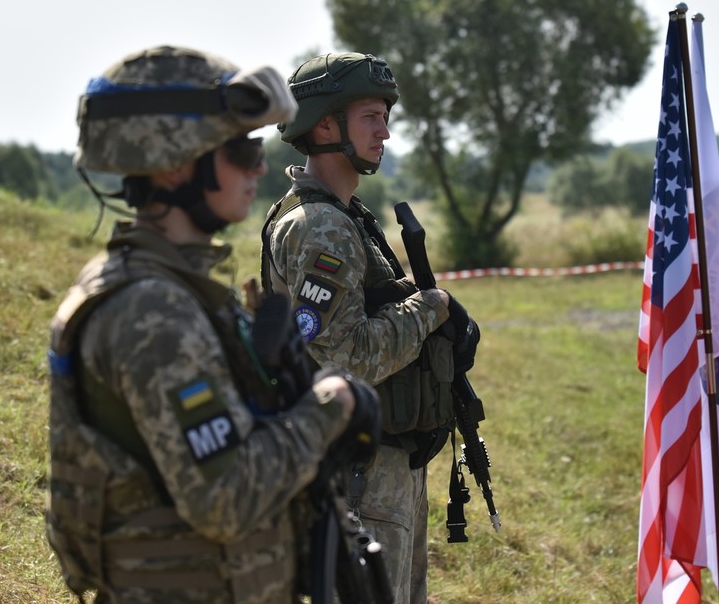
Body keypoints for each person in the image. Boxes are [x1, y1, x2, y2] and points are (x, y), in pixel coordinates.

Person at [46, 45, 379, 603]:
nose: (259, 167)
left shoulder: (177, 291)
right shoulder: (152, 312)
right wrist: (333, 403)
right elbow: (224, 498)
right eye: (240, 151)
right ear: (177, 163)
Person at [261, 52, 477, 603]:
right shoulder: (322, 229)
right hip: (359, 473)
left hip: (380, 465)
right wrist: (433, 307)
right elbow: (347, 358)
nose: (384, 131)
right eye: (369, 117)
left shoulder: (342, 214)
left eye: (386, 116)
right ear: (325, 124)